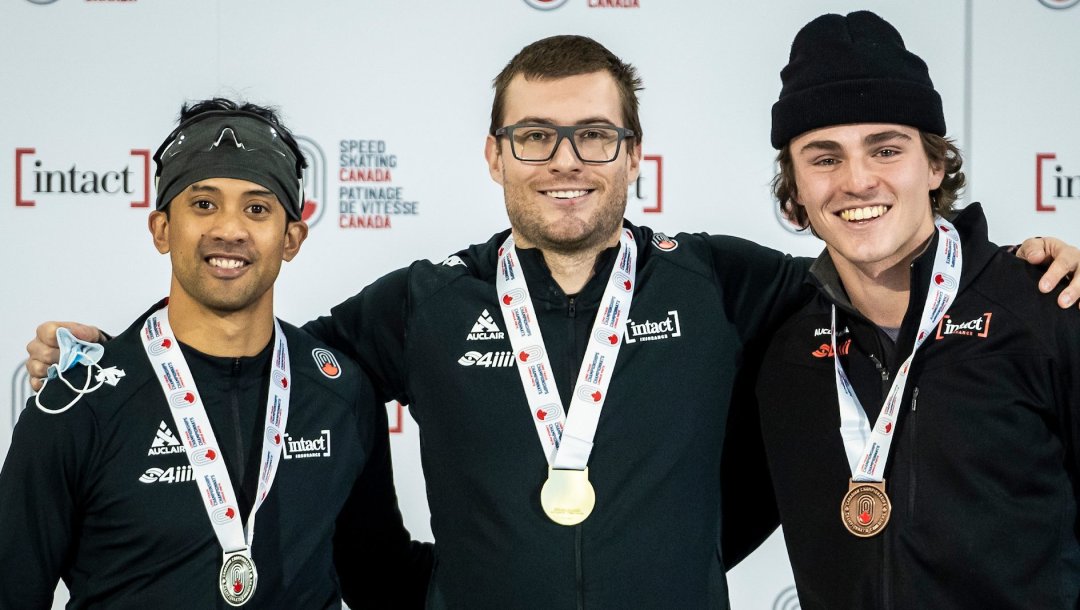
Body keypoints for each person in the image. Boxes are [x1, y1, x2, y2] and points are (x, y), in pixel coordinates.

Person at [21, 37, 1080, 609]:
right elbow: (263, 359)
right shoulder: (423, 300)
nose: (564, 160)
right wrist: (113, 358)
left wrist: (1023, 269)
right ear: (494, 155)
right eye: (533, 136)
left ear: (634, 154)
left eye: (593, 136)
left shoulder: (727, 282)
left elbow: (888, 287)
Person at [0, 99, 430, 609]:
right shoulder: (79, 404)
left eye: (257, 208)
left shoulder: (341, 394)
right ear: (162, 229)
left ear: (291, 238)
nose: (230, 229)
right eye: (203, 204)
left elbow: (380, 579)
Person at [757, 11, 1080, 609]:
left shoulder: (1047, 306)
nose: (857, 181)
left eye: (885, 150)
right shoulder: (781, 345)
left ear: (935, 165)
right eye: (824, 158)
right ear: (795, 188)